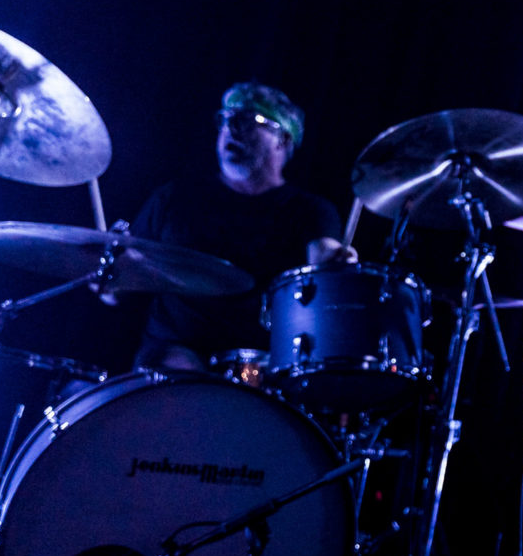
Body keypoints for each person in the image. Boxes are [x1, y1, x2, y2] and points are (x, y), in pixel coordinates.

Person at [126, 81, 355, 372]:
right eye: (225, 118)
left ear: (282, 140)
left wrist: (336, 263)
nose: (230, 128)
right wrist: (108, 266)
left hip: (258, 370)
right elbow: (114, 287)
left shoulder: (310, 211)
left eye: (248, 120)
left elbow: (324, 254)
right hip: (168, 362)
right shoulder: (173, 198)